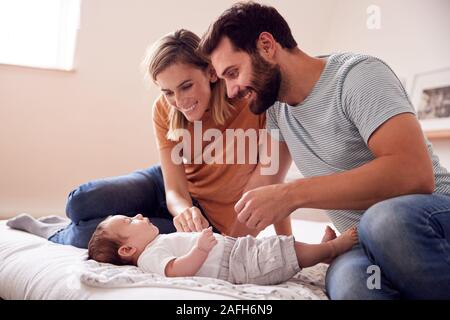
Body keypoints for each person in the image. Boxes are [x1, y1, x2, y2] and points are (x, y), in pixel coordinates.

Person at [198, 2, 450, 299]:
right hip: (358, 243)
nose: (231, 91)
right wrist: (216, 253)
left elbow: (414, 174)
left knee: (383, 222)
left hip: (428, 221)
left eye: (233, 72)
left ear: (267, 46)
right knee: (351, 285)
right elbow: (264, 186)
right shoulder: (277, 111)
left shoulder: (358, 76)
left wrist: (293, 194)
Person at [6, 29, 292, 249]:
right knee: (80, 203)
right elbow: (175, 191)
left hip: (209, 224)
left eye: (186, 86)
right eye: (168, 91)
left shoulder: (251, 104)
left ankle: (53, 231)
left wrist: (285, 244)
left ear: (210, 72)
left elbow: (272, 183)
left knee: (88, 234)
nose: (178, 101)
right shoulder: (164, 109)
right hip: (166, 187)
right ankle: (76, 221)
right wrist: (183, 209)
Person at [87, 213, 358, 285]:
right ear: (127, 250)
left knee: (280, 248)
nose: (137, 216)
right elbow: (175, 270)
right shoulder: (149, 257)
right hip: (235, 266)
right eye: (129, 221)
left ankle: (321, 251)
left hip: (235, 251)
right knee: (285, 252)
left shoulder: (156, 244)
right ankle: (331, 249)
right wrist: (201, 250)